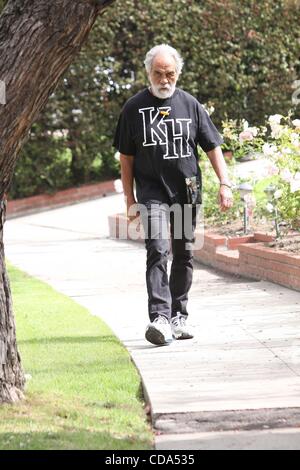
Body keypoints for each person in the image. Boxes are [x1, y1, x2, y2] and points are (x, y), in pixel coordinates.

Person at [113, 44, 233, 346]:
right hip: (152, 192)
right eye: (158, 73)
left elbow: (212, 146)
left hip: (186, 191)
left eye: (170, 74)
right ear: (148, 73)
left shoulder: (190, 104)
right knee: (157, 248)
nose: (165, 79)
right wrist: (130, 200)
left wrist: (225, 182)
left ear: (177, 73)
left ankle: (179, 315)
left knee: (184, 253)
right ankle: (160, 318)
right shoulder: (133, 108)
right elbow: (125, 158)